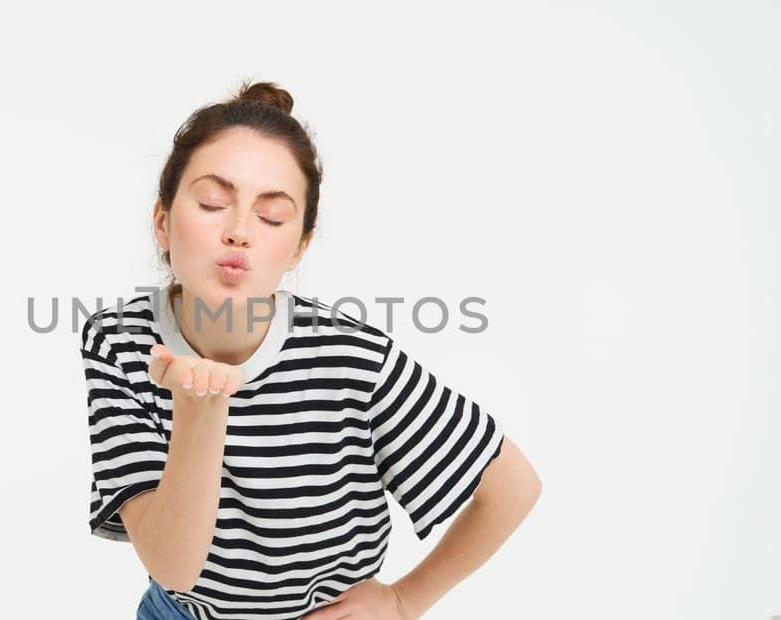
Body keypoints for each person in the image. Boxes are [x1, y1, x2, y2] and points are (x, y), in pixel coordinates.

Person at [81, 80, 543, 620]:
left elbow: (513, 486)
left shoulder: (353, 357)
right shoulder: (118, 340)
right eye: (212, 203)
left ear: (299, 245)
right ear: (162, 220)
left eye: (272, 217)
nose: (239, 232)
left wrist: (402, 600)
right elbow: (174, 567)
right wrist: (199, 408)